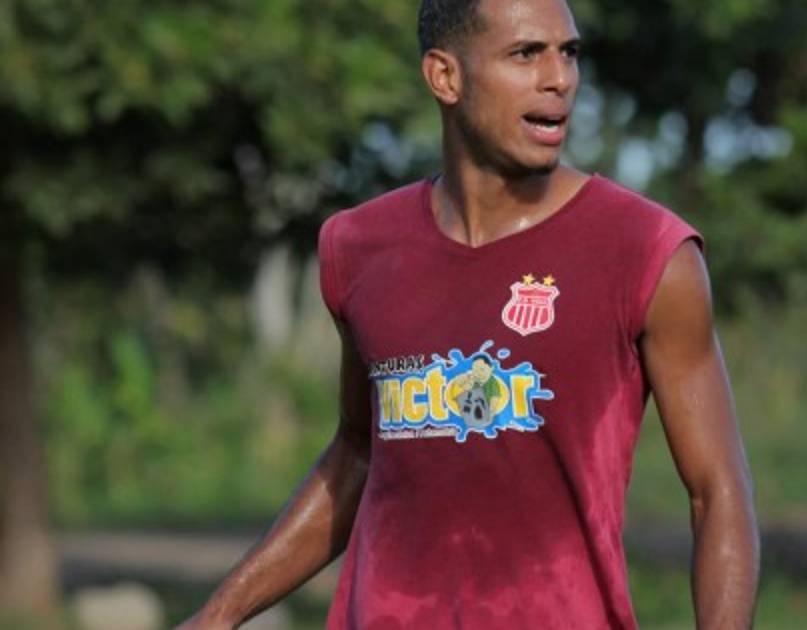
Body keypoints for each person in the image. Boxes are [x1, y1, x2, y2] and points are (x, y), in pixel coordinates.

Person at [180, 0, 758, 627]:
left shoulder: (648, 252)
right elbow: (358, 453)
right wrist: (216, 616)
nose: (559, 79)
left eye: (568, 53)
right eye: (525, 54)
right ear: (445, 76)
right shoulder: (359, 247)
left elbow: (717, 494)